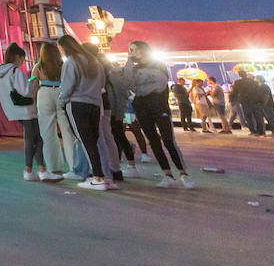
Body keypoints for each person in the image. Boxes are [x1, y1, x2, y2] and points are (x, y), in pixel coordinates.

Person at [117, 41, 193, 188]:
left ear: (144, 50)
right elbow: (126, 84)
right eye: (130, 50)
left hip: (159, 105)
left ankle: (183, 173)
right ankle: (167, 174)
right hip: (141, 106)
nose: (132, 53)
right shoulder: (132, 69)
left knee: (168, 140)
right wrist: (128, 63)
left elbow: (160, 84)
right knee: (153, 140)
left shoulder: (158, 65)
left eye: (135, 50)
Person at [0, 43, 58, 181]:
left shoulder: (0, 73)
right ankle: (34, 170)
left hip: (14, 110)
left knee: (32, 139)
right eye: (22, 59)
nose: (22, 62)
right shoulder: (15, 71)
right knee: (35, 139)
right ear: (17, 56)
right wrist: (33, 83)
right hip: (27, 110)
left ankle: (37, 170)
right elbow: (25, 91)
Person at [57, 34, 110, 190]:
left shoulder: (71, 62)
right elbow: (102, 85)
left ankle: (97, 177)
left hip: (77, 104)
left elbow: (67, 87)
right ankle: (102, 176)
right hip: (94, 104)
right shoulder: (95, 62)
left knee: (85, 141)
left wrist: (62, 100)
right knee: (93, 140)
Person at [30, 42, 80, 178]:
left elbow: (33, 84)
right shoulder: (62, 65)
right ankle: (73, 166)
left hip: (44, 93)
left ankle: (53, 167)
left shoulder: (38, 67)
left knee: (47, 133)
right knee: (67, 131)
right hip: (61, 93)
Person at [230, 69, 265, 136]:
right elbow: (258, 91)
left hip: (244, 101)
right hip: (254, 101)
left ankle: (253, 131)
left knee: (248, 117)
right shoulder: (253, 82)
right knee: (256, 116)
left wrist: (232, 100)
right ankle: (260, 131)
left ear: (239, 75)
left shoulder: (238, 82)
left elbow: (234, 92)